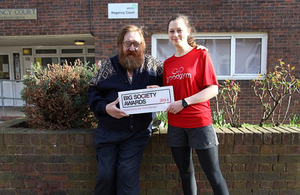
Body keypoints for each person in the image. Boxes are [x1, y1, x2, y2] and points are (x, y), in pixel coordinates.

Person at [88, 25, 163, 195]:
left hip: (137, 134)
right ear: (120, 45)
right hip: (108, 133)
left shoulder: (154, 66)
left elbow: (175, 82)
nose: (131, 48)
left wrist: (159, 89)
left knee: (127, 176)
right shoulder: (109, 66)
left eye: (136, 44)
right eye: (127, 43)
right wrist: (105, 108)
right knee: (105, 177)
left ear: (143, 45)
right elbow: (92, 90)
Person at [163, 14, 229, 195]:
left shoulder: (201, 55)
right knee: (185, 174)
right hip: (176, 125)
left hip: (199, 123)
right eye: (171, 31)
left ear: (188, 32)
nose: (175, 34)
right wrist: (156, 90)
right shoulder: (167, 64)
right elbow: (169, 93)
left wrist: (185, 102)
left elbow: (213, 89)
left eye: (179, 30)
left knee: (213, 175)